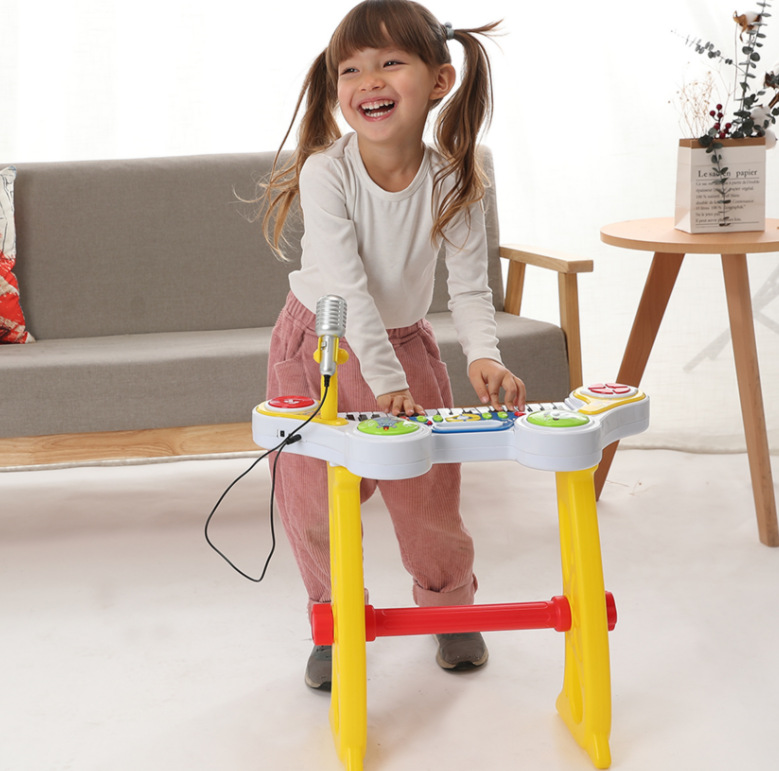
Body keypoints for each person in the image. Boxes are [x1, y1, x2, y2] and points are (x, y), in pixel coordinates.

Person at [261, 0, 525, 691]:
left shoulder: (455, 178)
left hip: (403, 345)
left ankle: (448, 609)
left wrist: (483, 355)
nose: (368, 81)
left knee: (427, 495)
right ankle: (333, 620)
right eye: (350, 69)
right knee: (314, 501)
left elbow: (470, 288)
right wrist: (383, 381)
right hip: (319, 346)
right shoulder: (327, 172)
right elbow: (345, 289)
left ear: (438, 81)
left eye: (390, 63)